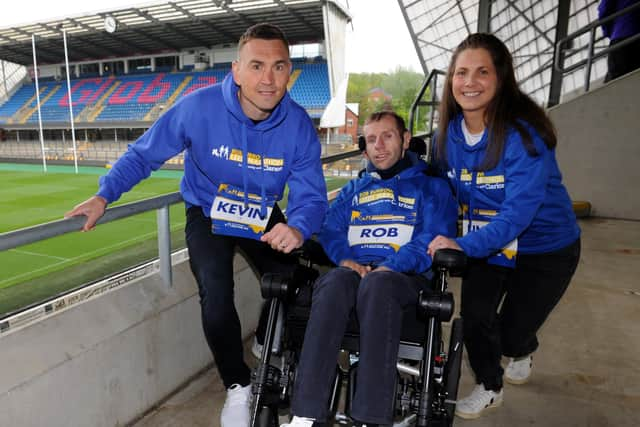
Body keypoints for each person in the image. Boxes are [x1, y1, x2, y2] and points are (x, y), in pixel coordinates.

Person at [65, 23, 328, 427]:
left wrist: (297, 226)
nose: (268, 79)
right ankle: (238, 388)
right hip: (209, 213)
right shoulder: (197, 107)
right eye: (257, 66)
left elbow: (310, 195)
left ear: (289, 71)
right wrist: (105, 194)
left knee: (298, 288)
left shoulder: (298, 126)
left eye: (279, 67)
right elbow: (143, 155)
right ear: (237, 71)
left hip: (261, 214)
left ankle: (265, 337)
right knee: (216, 293)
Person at [426, 33, 581, 419]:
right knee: (477, 319)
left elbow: (516, 216)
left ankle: (525, 346)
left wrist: (463, 247)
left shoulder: (523, 135)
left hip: (545, 248)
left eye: (482, 72)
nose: (470, 82)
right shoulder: (446, 136)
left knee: (510, 336)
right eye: (461, 72)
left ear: (501, 78)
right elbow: (438, 189)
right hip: (488, 243)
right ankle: (491, 386)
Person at [281, 111, 457, 427]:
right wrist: (345, 259)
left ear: (405, 140)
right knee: (333, 282)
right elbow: (331, 229)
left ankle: (370, 418)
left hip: (404, 279)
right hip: (357, 273)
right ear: (365, 149)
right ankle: (305, 415)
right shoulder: (354, 190)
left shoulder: (432, 188)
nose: (379, 146)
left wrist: (390, 267)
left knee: (379, 285)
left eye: (387, 136)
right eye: (371, 140)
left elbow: (432, 239)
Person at [598, 0, 640, 82]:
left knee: (615, 77)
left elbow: (603, 10)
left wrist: (608, 32)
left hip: (621, 35)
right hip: (636, 35)